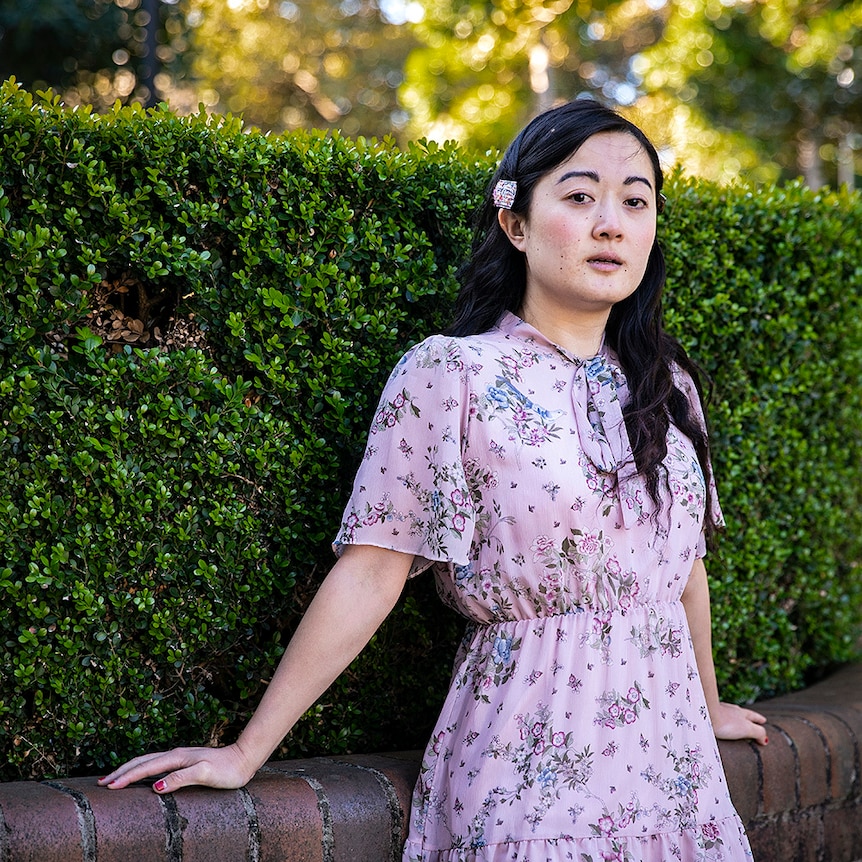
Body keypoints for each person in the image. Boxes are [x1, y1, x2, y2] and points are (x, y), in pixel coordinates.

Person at [101, 99, 768, 861]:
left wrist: (708, 704)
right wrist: (246, 751)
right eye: (579, 197)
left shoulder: (666, 383)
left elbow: (684, 572)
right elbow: (372, 572)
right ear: (515, 223)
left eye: (635, 200)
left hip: (676, 771)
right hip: (531, 768)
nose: (610, 222)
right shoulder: (452, 374)